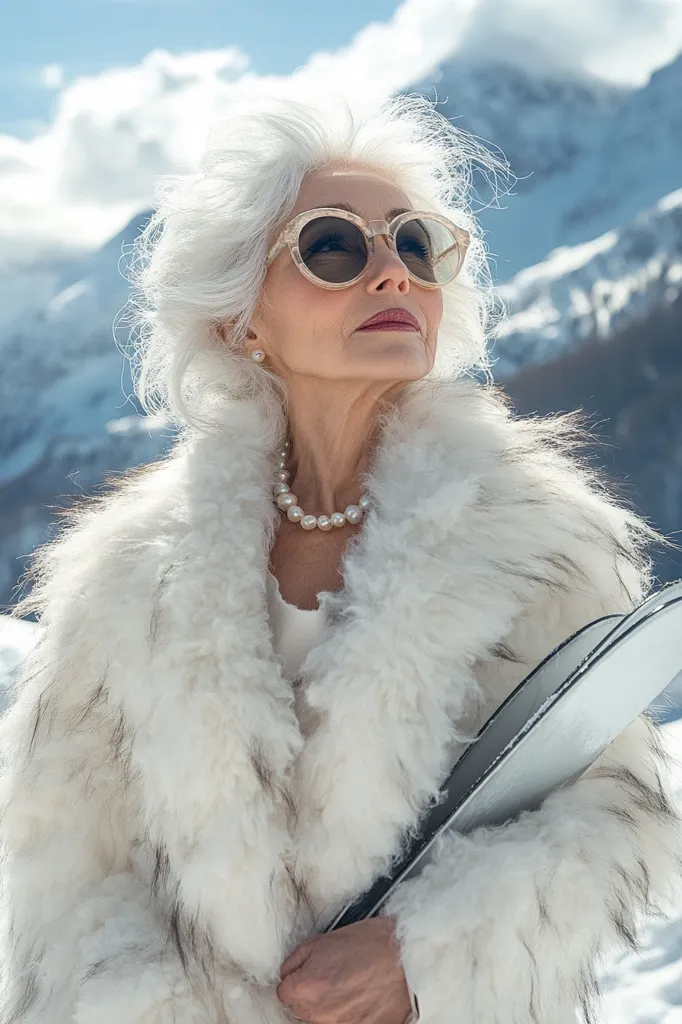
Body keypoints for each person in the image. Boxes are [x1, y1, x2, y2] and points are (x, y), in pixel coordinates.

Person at [0, 91, 679, 1024]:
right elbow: (63, 868)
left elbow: (615, 819)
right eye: (332, 246)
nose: (393, 273)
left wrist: (421, 958)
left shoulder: (538, 542)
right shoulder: (123, 582)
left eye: (417, 244)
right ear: (238, 319)